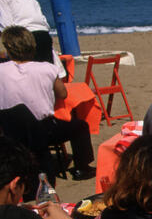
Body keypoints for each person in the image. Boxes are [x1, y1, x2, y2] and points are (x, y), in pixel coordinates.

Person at [0, 26, 95, 179]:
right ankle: (82, 168)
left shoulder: (2, 70)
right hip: (43, 129)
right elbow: (62, 94)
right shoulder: (47, 68)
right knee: (80, 126)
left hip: (9, 130)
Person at [0, 0, 52, 64]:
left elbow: (7, 26)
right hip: (44, 36)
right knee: (44, 72)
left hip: (24, 38)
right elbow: (44, 22)